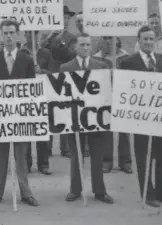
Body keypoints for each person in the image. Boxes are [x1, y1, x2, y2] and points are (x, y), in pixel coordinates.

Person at [119, 25, 162, 208]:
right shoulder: (128, 62)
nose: (148, 42)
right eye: (145, 39)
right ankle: (148, 195)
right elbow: (122, 90)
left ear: (155, 41)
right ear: (138, 41)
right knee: (144, 156)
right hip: (141, 120)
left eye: (151, 39)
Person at [0, 19, 38, 207]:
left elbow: (33, 89)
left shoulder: (27, 59)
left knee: (21, 155)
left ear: (18, 35)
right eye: (5, 33)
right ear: (1, 35)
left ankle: (26, 192)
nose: (8, 36)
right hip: (0, 116)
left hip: (21, 116)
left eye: (11, 33)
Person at [61, 33, 114, 204]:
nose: (85, 48)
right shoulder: (66, 67)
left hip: (95, 118)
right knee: (76, 154)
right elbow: (61, 94)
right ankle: (75, 190)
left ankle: (99, 191)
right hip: (75, 118)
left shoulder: (101, 67)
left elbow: (107, 93)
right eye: (82, 44)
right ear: (75, 47)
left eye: (88, 45)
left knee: (97, 155)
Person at [41, 6, 77, 157]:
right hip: (49, 76)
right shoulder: (46, 35)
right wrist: (51, 37)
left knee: (64, 112)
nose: (66, 20)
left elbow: (70, 55)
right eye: (64, 17)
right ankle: (47, 148)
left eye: (68, 18)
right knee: (49, 113)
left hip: (65, 77)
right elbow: (42, 50)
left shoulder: (71, 37)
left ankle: (65, 148)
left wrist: (59, 42)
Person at [93, 36, 132, 174]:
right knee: (106, 129)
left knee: (124, 129)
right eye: (106, 38)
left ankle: (125, 161)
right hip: (105, 95)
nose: (110, 41)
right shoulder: (97, 58)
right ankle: (107, 160)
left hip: (121, 95)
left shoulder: (125, 56)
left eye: (112, 37)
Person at [20, 31, 55, 175]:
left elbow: (53, 72)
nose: (31, 36)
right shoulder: (20, 53)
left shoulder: (45, 53)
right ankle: (26, 163)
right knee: (27, 130)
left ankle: (43, 164)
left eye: (34, 33)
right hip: (26, 95)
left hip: (42, 95)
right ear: (25, 35)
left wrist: (42, 71)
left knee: (41, 130)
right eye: (28, 33)